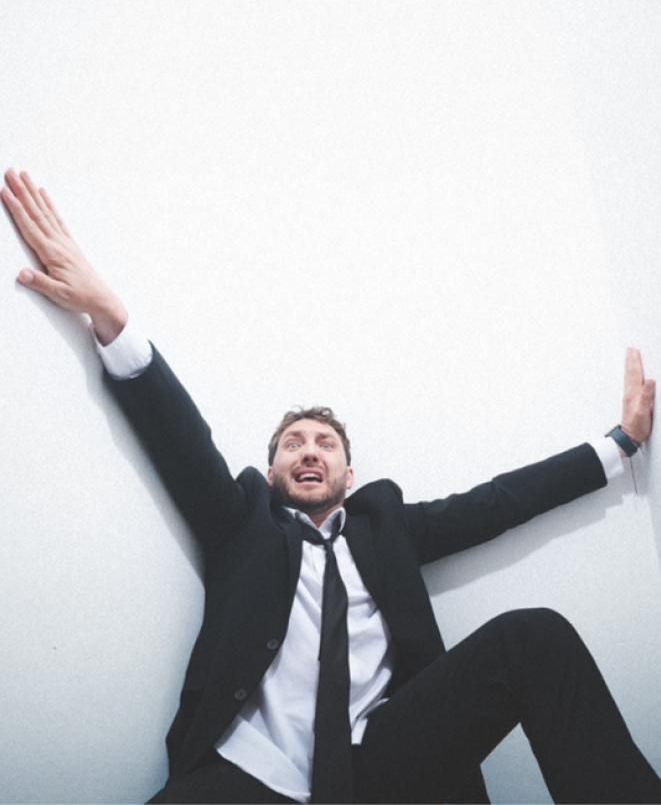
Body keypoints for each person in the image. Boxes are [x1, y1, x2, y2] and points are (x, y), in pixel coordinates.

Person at [2, 166, 660, 805]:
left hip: (383, 763)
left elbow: (498, 502)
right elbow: (182, 444)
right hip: (246, 775)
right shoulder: (243, 522)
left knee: (534, 637)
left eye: (324, 443)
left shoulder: (391, 525)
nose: (308, 451)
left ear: (350, 474)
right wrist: (111, 316)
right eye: (293, 442)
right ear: (271, 472)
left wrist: (619, 445)